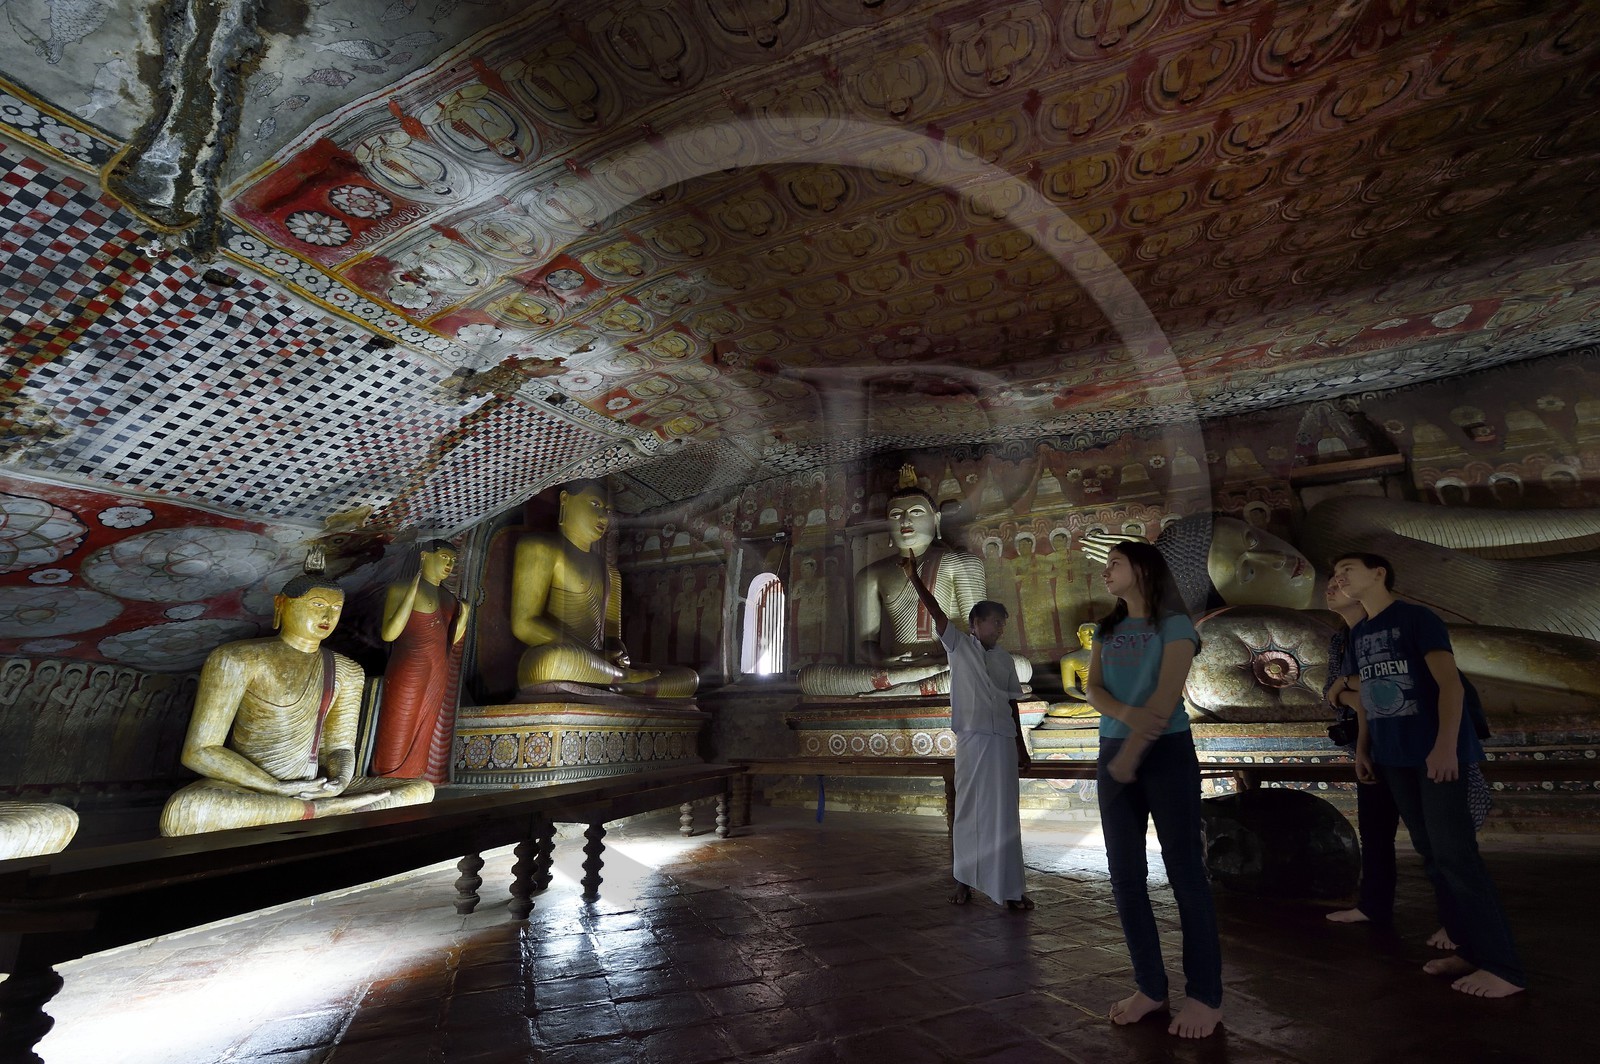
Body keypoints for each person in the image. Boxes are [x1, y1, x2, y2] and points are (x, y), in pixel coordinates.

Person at [1331, 552, 1524, 998]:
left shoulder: (1416, 618)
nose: (1339, 578)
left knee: (1457, 856)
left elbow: (1450, 684)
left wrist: (1444, 746)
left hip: (1435, 753)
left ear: (1379, 574)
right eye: (1336, 573)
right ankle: (1467, 948)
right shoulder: (1360, 633)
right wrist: (1365, 749)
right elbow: (1371, 700)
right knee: (1431, 855)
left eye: (1348, 570)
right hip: (1393, 756)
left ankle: (1505, 968)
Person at [159, 575, 434, 837]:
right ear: (281, 604)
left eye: (336, 608)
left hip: (313, 785)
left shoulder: (347, 670)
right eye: (317, 605)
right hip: (248, 787)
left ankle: (308, 810)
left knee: (420, 790)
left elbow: (338, 747)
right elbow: (200, 751)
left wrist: (338, 780)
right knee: (185, 810)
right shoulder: (237, 658)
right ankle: (321, 812)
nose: (327, 617)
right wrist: (273, 786)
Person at [1084, 541, 1222, 1039]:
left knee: (1185, 870)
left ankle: (1205, 995)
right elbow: (1093, 689)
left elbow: (1165, 703)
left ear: (1142, 569)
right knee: (1124, 875)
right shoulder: (1106, 629)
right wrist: (1123, 725)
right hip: (1114, 752)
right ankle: (1150, 987)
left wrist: (1130, 752)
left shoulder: (1175, 626)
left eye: (1114, 564)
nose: (1107, 573)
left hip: (1165, 755)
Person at [1322, 578, 1493, 946]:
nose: (1334, 586)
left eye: (1344, 577)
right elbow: (1336, 693)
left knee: (1447, 848)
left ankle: (1468, 934)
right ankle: (1378, 905)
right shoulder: (1344, 640)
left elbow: (1431, 682)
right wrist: (1350, 697)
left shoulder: (1404, 623)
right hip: (1377, 744)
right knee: (1382, 832)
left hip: (1423, 742)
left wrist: (1349, 684)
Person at [799, 480, 1030, 697]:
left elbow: (980, 637)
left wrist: (942, 659)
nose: (905, 521)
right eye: (896, 515)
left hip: (950, 663)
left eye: (916, 513)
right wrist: (884, 661)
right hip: (897, 670)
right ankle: (920, 683)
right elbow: (865, 645)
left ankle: (906, 687)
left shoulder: (961, 562)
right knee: (809, 678)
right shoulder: (870, 576)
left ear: (936, 520)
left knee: (1018, 667)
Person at [899, 554, 1033, 910]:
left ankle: (1011, 889)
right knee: (969, 811)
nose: (999, 629)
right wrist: (915, 578)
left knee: (1005, 813)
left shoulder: (1004, 659)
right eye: (994, 622)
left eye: (1003, 624)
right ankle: (963, 881)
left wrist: (1022, 748)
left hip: (1002, 741)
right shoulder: (958, 647)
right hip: (973, 740)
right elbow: (937, 612)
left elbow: (1012, 704)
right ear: (975, 623)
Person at [510, 480, 697, 697]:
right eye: (595, 504)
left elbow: (611, 633)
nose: (603, 518)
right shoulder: (540, 547)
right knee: (552, 661)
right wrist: (595, 656)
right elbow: (524, 624)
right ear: (565, 500)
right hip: (563, 661)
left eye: (608, 511)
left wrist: (619, 656)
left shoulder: (609, 572)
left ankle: (619, 679)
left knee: (689, 678)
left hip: (598, 666)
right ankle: (622, 681)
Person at [372, 540, 470, 779]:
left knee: (426, 727)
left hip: (438, 669)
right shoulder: (401, 589)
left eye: (453, 560)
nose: (449, 564)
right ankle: (387, 775)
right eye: (445, 557)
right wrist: (410, 594)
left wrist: (464, 614)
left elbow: (451, 641)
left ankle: (413, 775)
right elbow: (389, 634)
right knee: (400, 721)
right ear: (425, 556)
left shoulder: (448, 598)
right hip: (409, 667)